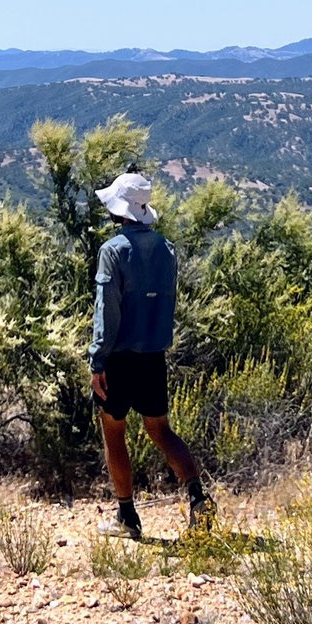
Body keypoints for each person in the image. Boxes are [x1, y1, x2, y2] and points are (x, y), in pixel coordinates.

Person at [87, 171, 210, 538]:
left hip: (119, 358)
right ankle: (198, 499)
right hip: (153, 355)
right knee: (161, 431)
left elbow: (107, 311)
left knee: (114, 433)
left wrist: (97, 360)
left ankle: (127, 517)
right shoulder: (166, 249)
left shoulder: (112, 250)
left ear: (119, 210)